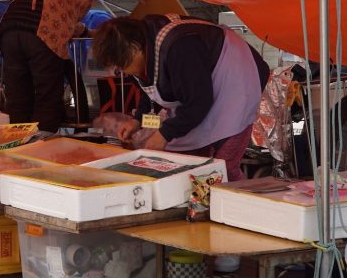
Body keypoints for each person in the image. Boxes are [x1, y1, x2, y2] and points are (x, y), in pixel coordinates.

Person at [91, 14, 271, 181]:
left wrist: (164, 134)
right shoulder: (145, 51)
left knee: (222, 169)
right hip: (201, 93)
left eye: (122, 66)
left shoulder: (179, 47)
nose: (123, 72)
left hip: (236, 81)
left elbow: (198, 102)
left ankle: (238, 209)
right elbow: (152, 91)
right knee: (186, 163)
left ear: (135, 49)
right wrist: (137, 120)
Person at [0, 0, 144, 133]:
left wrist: (86, 32)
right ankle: (41, 145)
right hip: (44, 31)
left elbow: (59, 13)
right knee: (48, 94)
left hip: (8, 28)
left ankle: (15, 141)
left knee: (18, 94)